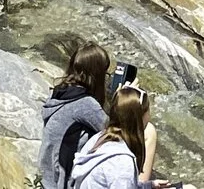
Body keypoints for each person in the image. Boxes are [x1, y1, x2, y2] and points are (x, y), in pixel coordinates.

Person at [72, 83, 176, 189]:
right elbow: (121, 178)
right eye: (148, 111)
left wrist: (149, 186)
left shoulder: (99, 138)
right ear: (139, 118)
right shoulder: (122, 162)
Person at [37, 41, 111, 189]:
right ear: (97, 75)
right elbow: (117, 132)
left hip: (47, 178)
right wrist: (124, 101)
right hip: (63, 183)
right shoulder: (85, 104)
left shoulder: (59, 93)